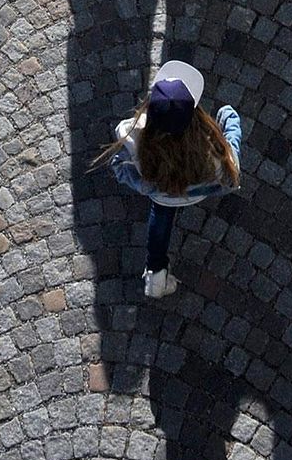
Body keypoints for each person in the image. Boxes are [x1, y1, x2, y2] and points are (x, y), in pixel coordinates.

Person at [97, 61, 242, 298]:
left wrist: (145, 186)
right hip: (197, 190)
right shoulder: (208, 150)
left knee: (161, 220)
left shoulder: (133, 138)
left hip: (161, 193)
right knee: (230, 123)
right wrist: (229, 125)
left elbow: (119, 167)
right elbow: (229, 174)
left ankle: (156, 274)